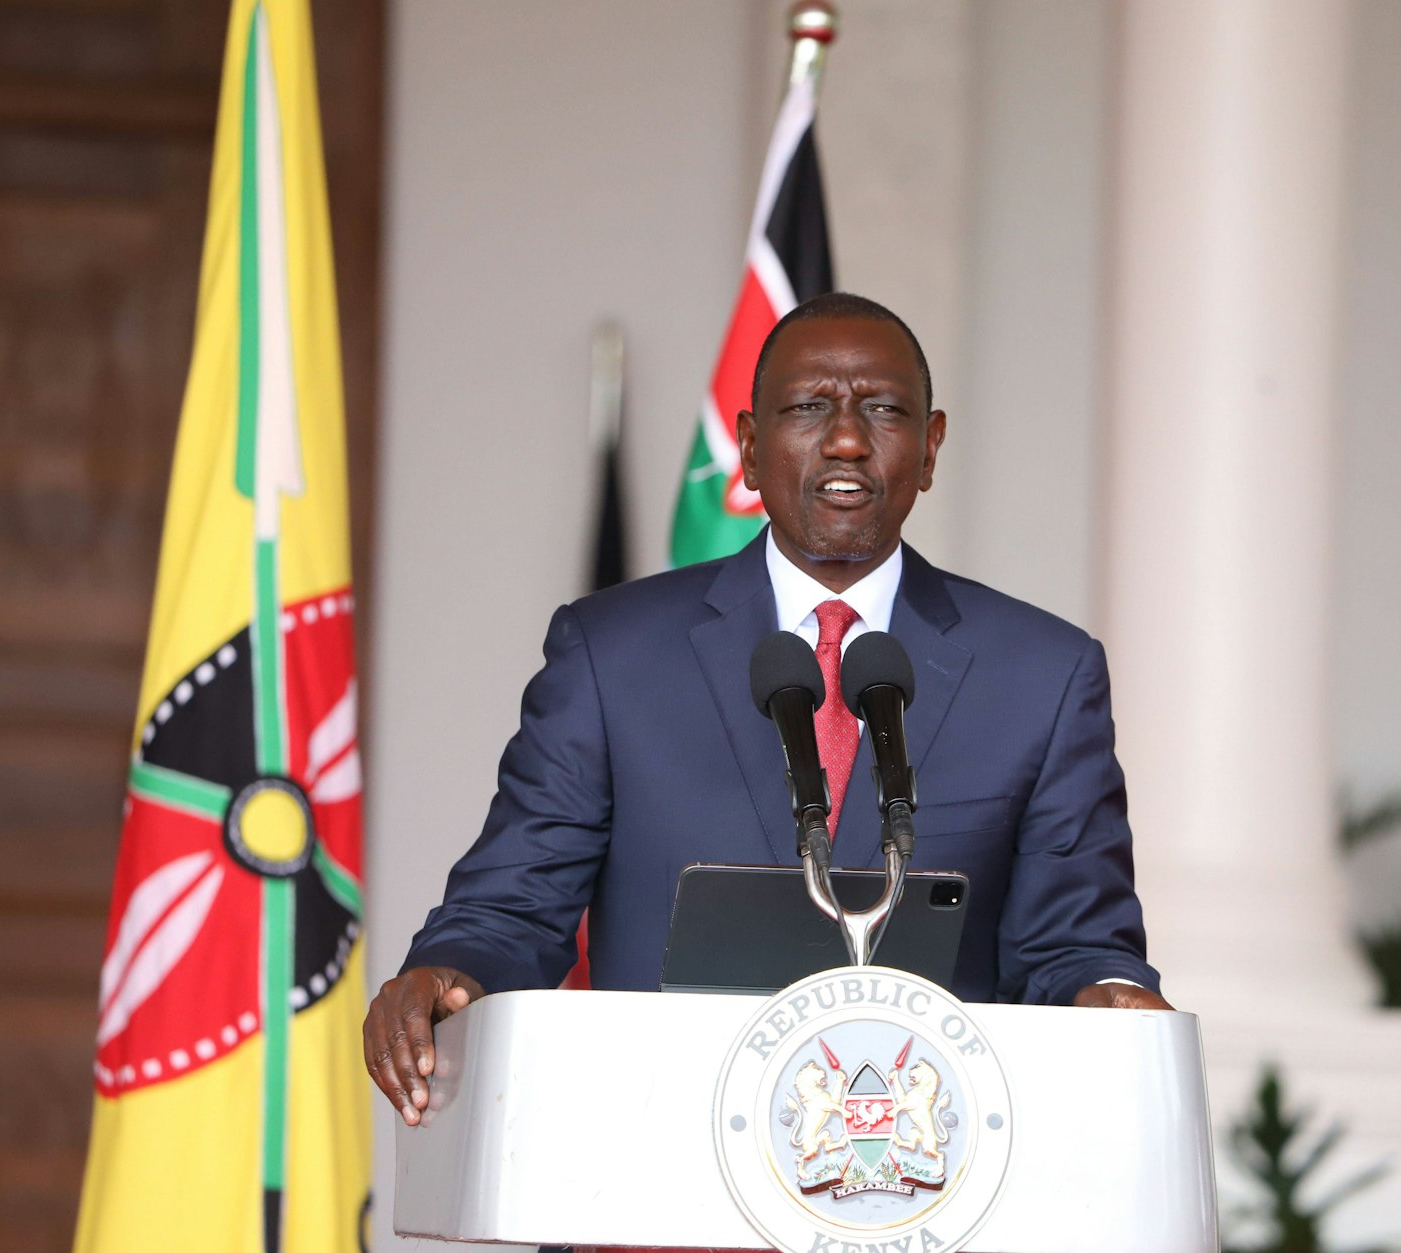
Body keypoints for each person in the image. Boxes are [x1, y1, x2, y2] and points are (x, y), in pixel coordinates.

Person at [364, 292, 1172, 1129]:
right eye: (809, 406)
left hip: (915, 1178)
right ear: (749, 449)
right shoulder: (612, 654)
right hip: (651, 1162)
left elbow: (1073, 944)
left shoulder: (1041, 673)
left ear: (930, 449)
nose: (849, 437)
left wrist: (1107, 996)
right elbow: (514, 901)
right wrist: (449, 972)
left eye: (884, 409)